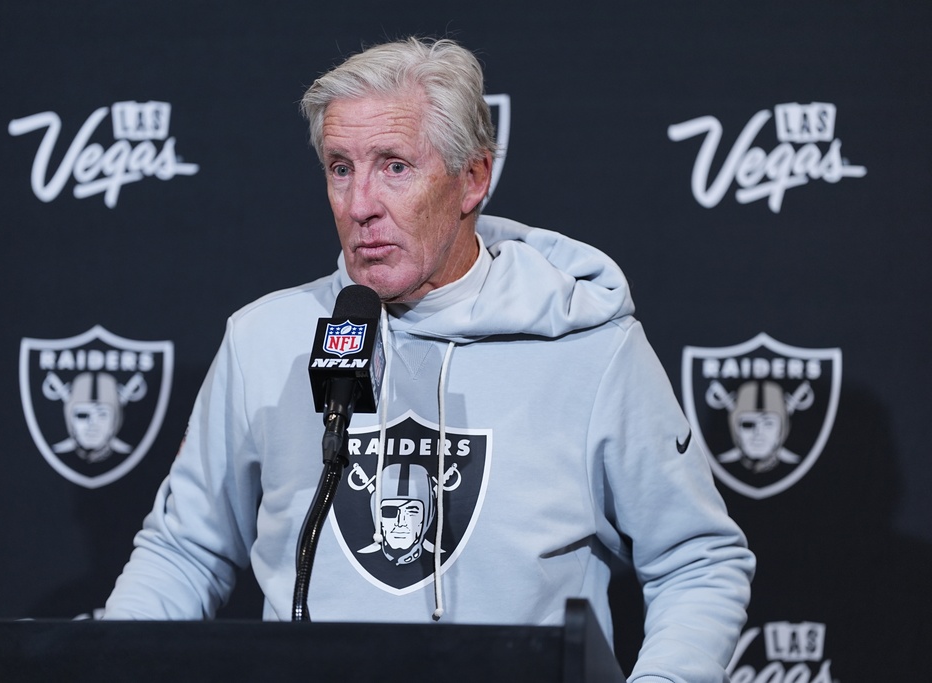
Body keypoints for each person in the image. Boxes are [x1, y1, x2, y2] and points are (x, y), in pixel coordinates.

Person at [104, 37, 755, 682]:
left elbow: (697, 562)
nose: (360, 205)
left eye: (394, 166)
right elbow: (184, 550)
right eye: (340, 167)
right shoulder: (264, 339)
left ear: (473, 178)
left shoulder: (589, 345)